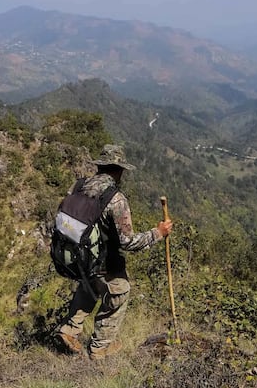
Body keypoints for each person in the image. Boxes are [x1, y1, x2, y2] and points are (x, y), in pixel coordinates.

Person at [54, 144, 173, 360]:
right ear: (118, 170)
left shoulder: (79, 186)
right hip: (104, 262)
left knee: (89, 285)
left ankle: (69, 330)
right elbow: (127, 242)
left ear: (100, 167)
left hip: (81, 257)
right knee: (120, 291)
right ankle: (100, 347)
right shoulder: (116, 199)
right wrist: (158, 232)